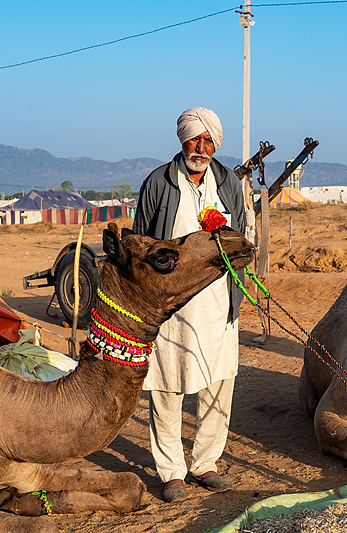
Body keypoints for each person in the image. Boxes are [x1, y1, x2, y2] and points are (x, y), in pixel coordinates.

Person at [132, 107, 246, 504]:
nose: (201, 147)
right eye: (195, 139)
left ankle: (206, 463)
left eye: (208, 140)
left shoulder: (228, 182)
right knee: (166, 385)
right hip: (170, 305)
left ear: (216, 143)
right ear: (182, 140)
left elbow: (240, 237)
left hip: (218, 303)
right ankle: (171, 472)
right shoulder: (158, 183)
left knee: (218, 385)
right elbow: (140, 242)